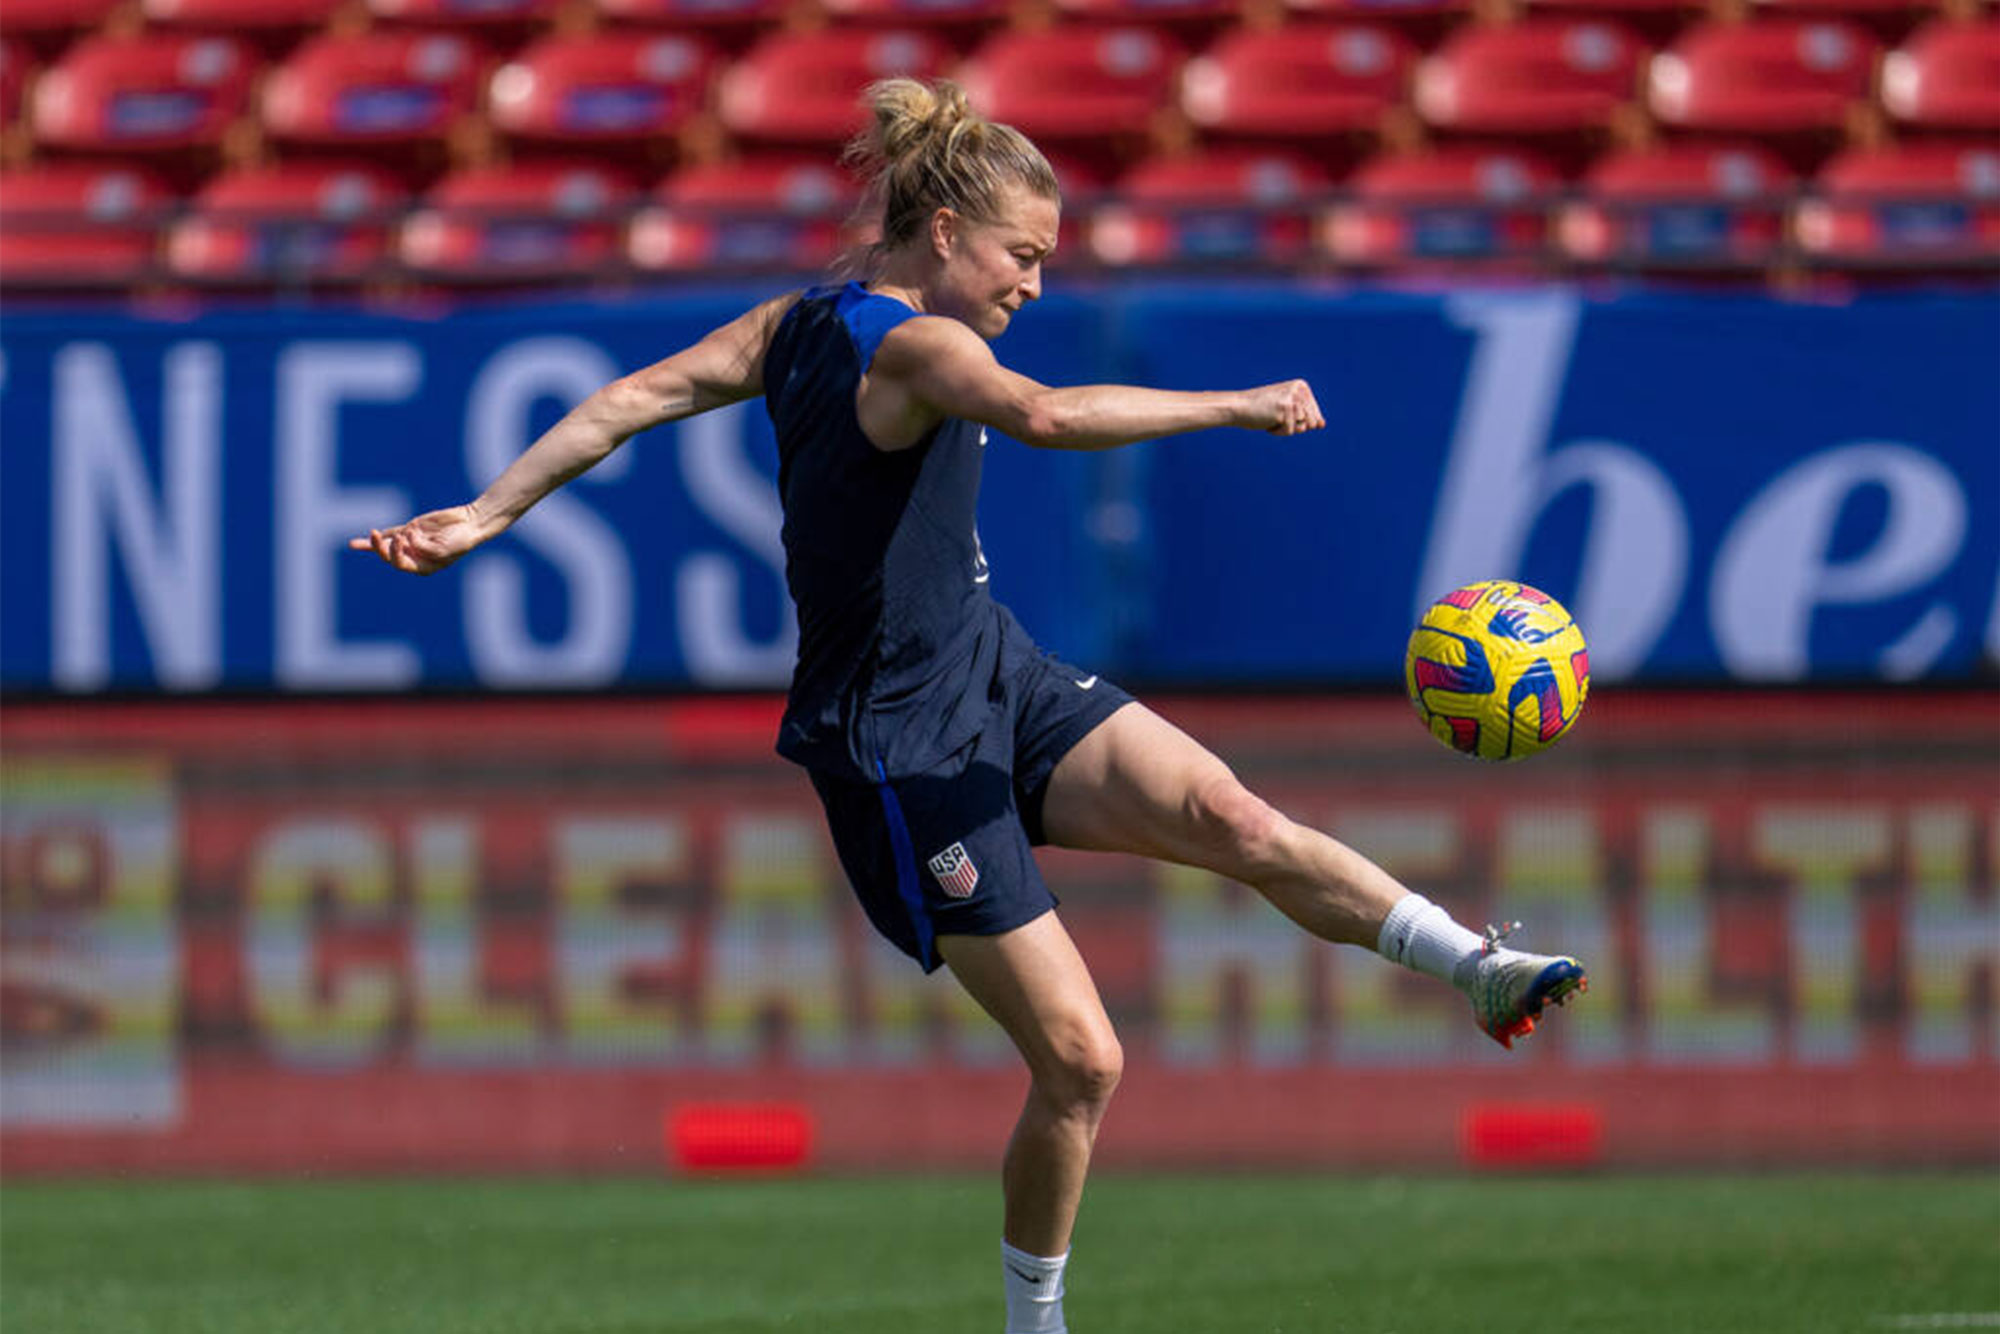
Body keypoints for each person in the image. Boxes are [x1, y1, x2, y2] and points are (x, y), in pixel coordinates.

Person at [353, 77, 1587, 1334]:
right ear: (942, 232)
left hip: (995, 671)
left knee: (1236, 816)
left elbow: (632, 398)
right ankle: (1031, 1322)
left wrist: (490, 509)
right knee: (1082, 1060)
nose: (1034, 286)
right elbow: (1045, 412)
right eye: (1022, 255)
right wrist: (1234, 402)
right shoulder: (915, 343)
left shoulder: (793, 323)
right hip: (896, 745)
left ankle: (1476, 966)